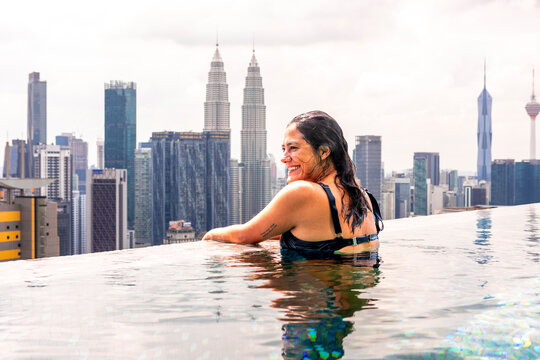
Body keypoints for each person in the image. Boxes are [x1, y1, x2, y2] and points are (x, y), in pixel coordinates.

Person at [203, 110, 383, 256]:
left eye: (293, 148)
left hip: (314, 297)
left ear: (324, 152)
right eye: (283, 149)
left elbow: (243, 236)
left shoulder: (303, 192)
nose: (284, 158)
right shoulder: (361, 195)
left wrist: (210, 235)